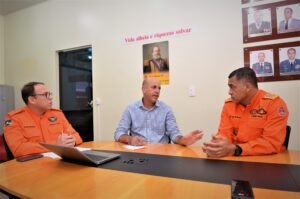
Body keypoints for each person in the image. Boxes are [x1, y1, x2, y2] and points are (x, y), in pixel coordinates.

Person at [202, 67, 289, 158]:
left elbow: (272, 143)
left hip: (267, 160)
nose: (229, 92)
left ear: (247, 87)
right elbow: (225, 134)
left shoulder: (274, 104)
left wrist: (236, 149)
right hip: (236, 159)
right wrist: (217, 147)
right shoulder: (229, 105)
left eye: (232, 87)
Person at [114, 77, 203, 146]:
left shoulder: (166, 109)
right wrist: (130, 139)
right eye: (154, 87)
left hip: (161, 154)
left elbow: (174, 133)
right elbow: (119, 133)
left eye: (159, 88)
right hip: (138, 153)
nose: (157, 91)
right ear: (143, 89)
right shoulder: (130, 109)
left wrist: (183, 140)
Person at [3, 82, 83, 157]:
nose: (51, 97)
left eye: (50, 94)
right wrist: (55, 145)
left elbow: (77, 137)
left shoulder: (57, 114)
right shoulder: (14, 118)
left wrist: (71, 141)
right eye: (46, 95)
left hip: (59, 160)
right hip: (32, 164)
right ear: (32, 99)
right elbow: (18, 149)